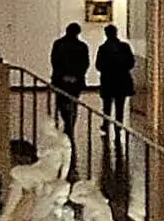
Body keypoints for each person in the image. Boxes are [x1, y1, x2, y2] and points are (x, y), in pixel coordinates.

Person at [94, 16, 143, 168]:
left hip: (108, 81)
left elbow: (98, 65)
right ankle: (118, 126)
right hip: (121, 81)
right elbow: (131, 62)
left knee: (107, 105)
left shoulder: (103, 48)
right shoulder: (125, 47)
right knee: (120, 106)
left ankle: (106, 124)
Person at [47, 16, 93, 165]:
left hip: (60, 80)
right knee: (74, 102)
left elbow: (54, 61)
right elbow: (85, 63)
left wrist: (62, 75)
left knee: (62, 102)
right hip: (75, 81)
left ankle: (67, 122)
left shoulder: (58, 44)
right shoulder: (82, 46)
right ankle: (69, 124)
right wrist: (76, 75)